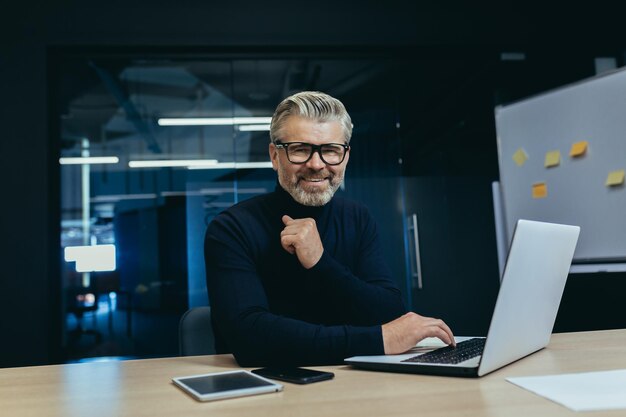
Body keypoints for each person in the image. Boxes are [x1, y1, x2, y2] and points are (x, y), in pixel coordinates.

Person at [204, 91, 455, 366]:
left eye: (330, 150)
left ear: (345, 157)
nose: (316, 164)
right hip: (266, 392)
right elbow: (249, 339)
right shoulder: (231, 228)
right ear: (275, 156)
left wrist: (321, 263)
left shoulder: (357, 218)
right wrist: (378, 340)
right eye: (300, 149)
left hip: (353, 383)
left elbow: (390, 312)